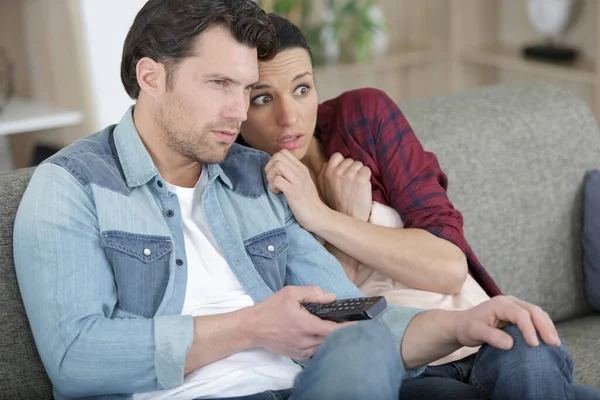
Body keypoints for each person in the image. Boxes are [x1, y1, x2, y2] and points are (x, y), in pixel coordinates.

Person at [10, 1, 589, 399]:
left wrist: (462, 324)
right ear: (151, 77)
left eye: (243, 88)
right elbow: (75, 356)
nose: (238, 112)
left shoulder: (254, 176)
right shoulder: (69, 187)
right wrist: (252, 328)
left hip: (310, 384)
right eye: (220, 85)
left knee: (517, 350)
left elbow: (354, 314)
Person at [238, 13, 600, 400]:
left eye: (302, 89)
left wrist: (328, 219)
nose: (289, 116)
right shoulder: (240, 188)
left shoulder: (362, 118)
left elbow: (448, 268)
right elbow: (319, 320)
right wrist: (341, 224)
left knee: (533, 358)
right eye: (262, 98)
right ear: (236, 108)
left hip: (485, 330)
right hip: (407, 365)